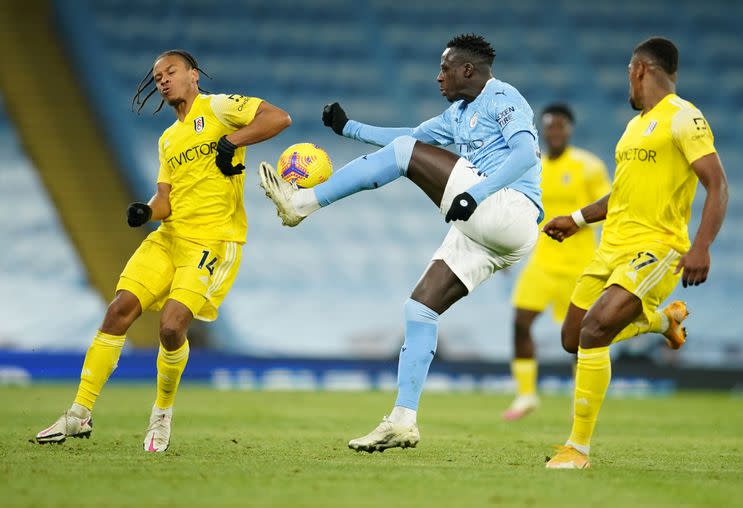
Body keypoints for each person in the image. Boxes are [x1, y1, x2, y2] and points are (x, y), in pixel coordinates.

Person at [259, 34, 543, 452]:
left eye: (445, 68)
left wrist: (476, 195)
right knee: (420, 309)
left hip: (508, 209)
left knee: (408, 153)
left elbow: (524, 155)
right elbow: (407, 137)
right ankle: (402, 420)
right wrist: (348, 127)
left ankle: (301, 203)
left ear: (468, 69)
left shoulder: (504, 98)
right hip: (486, 230)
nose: (439, 76)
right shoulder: (459, 111)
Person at [35, 50, 291, 452]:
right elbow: (164, 200)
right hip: (168, 238)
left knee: (171, 327)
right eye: (157, 78)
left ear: (192, 74)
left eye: (170, 72)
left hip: (212, 241)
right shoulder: (168, 139)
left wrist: (232, 141)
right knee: (118, 309)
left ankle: (161, 414)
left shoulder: (220, 106)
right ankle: (78, 413)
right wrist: (145, 210)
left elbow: (278, 118)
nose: (163, 81)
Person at [543, 37, 728, 469]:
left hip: (656, 248)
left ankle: (578, 449)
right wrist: (576, 219)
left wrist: (701, 245)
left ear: (640, 69)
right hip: (611, 248)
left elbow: (717, 184)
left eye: (628, 71)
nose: (627, 79)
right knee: (573, 339)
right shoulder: (632, 128)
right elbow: (621, 196)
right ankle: (665, 320)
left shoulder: (685, 118)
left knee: (594, 331)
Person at [504, 103, 610, 421]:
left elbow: (610, 206)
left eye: (560, 126)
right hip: (543, 262)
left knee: (579, 339)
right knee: (520, 323)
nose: (555, 131)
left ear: (569, 129)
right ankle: (526, 395)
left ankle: (583, 402)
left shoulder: (588, 166)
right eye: (549, 126)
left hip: (580, 264)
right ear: (542, 130)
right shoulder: (532, 167)